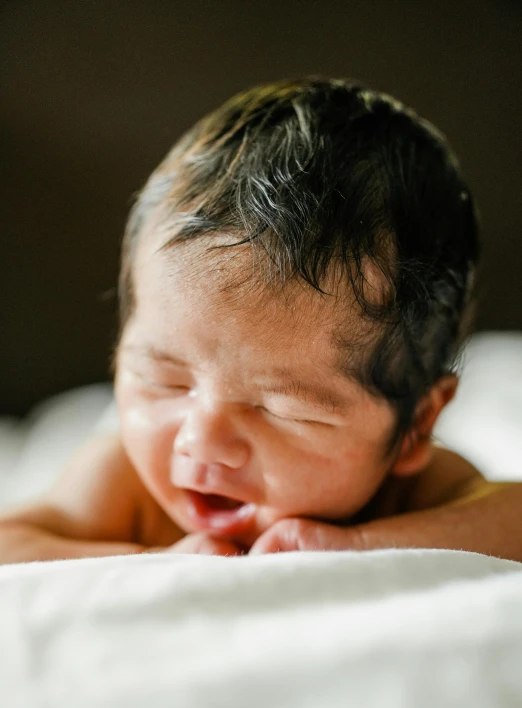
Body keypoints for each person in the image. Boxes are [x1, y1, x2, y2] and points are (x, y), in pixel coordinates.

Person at [1, 76, 521, 565]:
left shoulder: (410, 492)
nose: (201, 440)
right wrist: (153, 565)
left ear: (414, 429)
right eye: (164, 380)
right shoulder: (125, 483)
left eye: (284, 409)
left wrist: (358, 544)